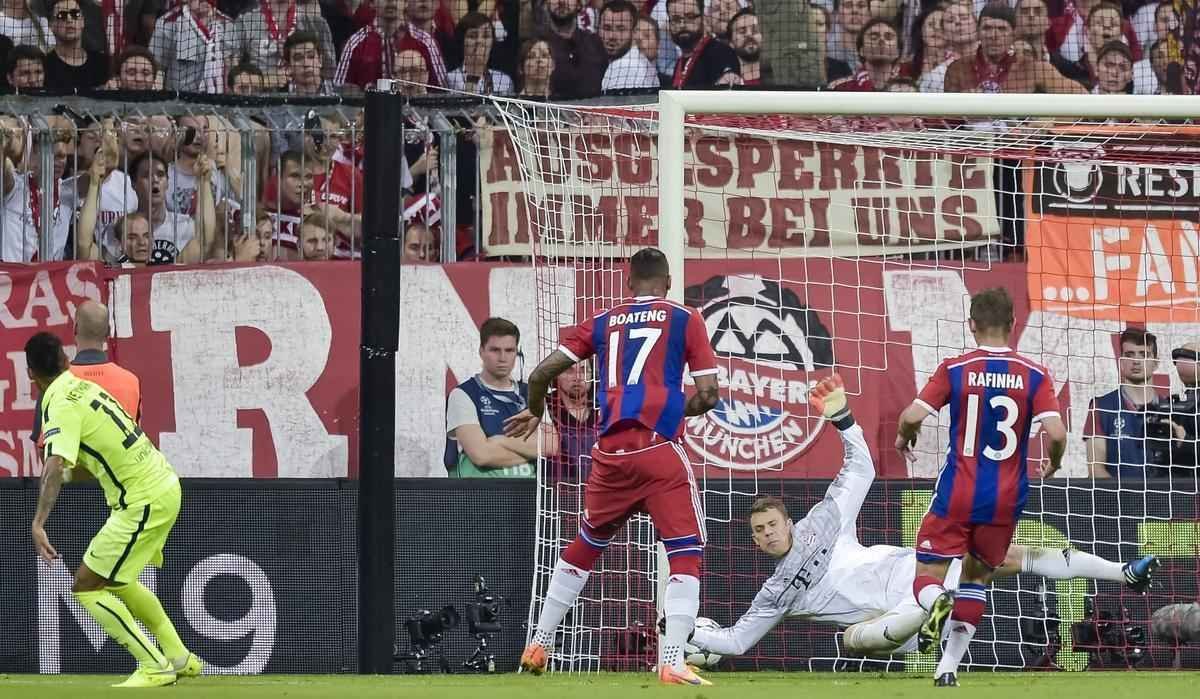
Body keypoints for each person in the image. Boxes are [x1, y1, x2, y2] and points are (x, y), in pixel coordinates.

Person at [689, 377, 1158, 659]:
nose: (768, 534)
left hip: (910, 578)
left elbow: (862, 468)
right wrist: (688, 630)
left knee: (856, 638)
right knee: (861, 636)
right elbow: (734, 642)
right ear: (755, 542)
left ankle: (1121, 571)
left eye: (772, 524)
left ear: (789, 522)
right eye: (759, 531)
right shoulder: (775, 593)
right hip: (905, 600)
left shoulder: (824, 522)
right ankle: (927, 613)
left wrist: (843, 418)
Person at [509, 247, 721, 686]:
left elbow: (539, 376)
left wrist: (535, 410)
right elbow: (709, 395)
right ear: (666, 284)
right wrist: (672, 411)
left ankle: (539, 641)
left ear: (629, 285)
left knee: (585, 544)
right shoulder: (685, 318)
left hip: (609, 456)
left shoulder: (605, 322)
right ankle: (673, 660)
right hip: (660, 451)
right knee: (685, 552)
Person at [895, 287, 1068, 687]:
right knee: (976, 578)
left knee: (928, 574)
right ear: (1013, 324)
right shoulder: (1035, 373)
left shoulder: (955, 368)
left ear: (971, 325)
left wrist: (905, 436)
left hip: (958, 490)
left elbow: (910, 415)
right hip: (1006, 498)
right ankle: (948, 668)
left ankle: (938, 601)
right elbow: (1057, 432)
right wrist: (1054, 463)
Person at [25, 331, 202, 688]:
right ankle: (180, 657)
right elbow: (93, 454)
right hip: (163, 482)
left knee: (86, 586)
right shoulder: (84, 387)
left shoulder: (57, 402)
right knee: (118, 580)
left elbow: (56, 463)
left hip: (143, 498)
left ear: (31, 375)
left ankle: (154, 665)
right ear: (65, 360)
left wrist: (38, 522)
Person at [445, 318, 555, 478]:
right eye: (495, 350)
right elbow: (481, 455)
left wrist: (498, 441)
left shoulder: (531, 393)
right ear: (481, 351)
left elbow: (551, 446)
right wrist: (531, 450)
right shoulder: (463, 394)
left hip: (526, 494)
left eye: (510, 350)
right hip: (480, 495)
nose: (503, 358)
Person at [1084, 328, 1169, 486]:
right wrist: (1127, 502)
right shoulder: (1100, 407)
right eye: (1129, 355)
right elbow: (1095, 470)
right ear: (1121, 362)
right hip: (1118, 506)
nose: (1136, 361)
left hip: (1162, 506)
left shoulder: (1170, 410)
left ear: (1155, 363)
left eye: (1144, 354)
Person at [536, 0, 606, 98]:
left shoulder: (595, 43)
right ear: (546, 3)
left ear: (579, 4)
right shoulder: (537, 46)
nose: (561, 2)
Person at [668, 0, 741, 88]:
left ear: (703, 18)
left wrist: (728, 76)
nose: (682, 24)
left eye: (690, 17)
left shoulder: (720, 52)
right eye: (676, 19)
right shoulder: (679, 63)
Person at [44, 0, 110, 90]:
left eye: (75, 14)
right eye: (62, 16)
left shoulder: (102, 63)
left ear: (82, 21)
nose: (69, 19)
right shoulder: (44, 65)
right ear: (51, 25)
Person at [445, 12, 514, 95]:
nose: (479, 41)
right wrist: (472, 76)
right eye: (472, 36)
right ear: (462, 41)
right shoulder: (450, 79)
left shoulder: (504, 80)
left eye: (486, 36)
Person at [598, 0, 658, 91]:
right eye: (607, 28)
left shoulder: (624, 67)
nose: (612, 36)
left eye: (621, 29)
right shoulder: (635, 61)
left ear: (633, 32)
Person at [830, 17, 898, 90]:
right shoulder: (840, 88)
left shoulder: (909, 88)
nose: (881, 40)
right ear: (861, 51)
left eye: (888, 37)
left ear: (897, 52)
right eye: (874, 37)